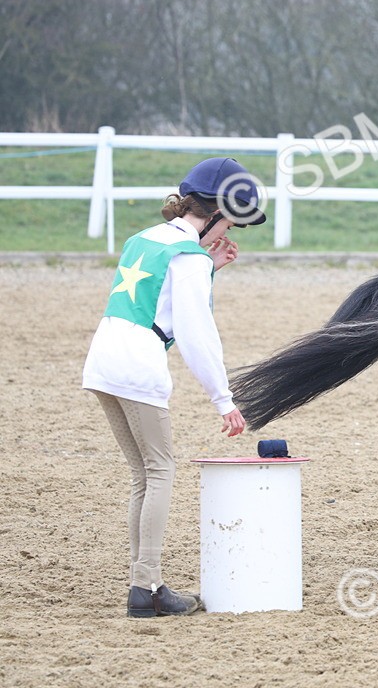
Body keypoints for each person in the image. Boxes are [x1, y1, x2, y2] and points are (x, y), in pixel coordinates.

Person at [82, 157, 266, 617]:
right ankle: (146, 587)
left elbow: (158, 297)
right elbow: (195, 333)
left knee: (143, 474)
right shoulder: (188, 258)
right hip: (137, 368)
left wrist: (208, 267)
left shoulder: (145, 238)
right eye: (233, 221)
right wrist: (223, 399)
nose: (231, 230)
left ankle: (144, 582)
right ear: (218, 212)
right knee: (161, 471)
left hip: (103, 360)